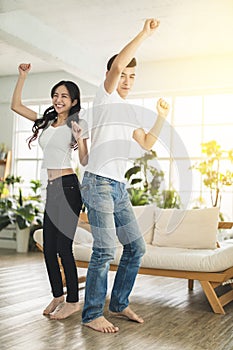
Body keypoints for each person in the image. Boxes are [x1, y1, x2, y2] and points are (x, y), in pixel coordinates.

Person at [81, 18, 170, 333]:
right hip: (97, 182)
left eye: (133, 76)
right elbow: (117, 65)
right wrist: (145, 34)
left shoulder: (129, 110)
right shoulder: (105, 97)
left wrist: (161, 118)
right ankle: (92, 313)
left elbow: (145, 143)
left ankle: (118, 303)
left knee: (136, 248)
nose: (128, 80)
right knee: (105, 249)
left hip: (118, 187)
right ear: (112, 76)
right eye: (124, 74)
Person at [11, 63, 88, 320]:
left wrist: (81, 137)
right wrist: (23, 77)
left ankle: (73, 301)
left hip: (68, 188)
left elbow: (85, 160)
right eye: (55, 95)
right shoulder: (46, 122)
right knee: (49, 245)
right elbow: (16, 106)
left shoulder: (76, 124)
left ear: (74, 101)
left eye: (64, 96)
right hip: (53, 188)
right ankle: (58, 294)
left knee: (64, 247)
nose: (58, 99)